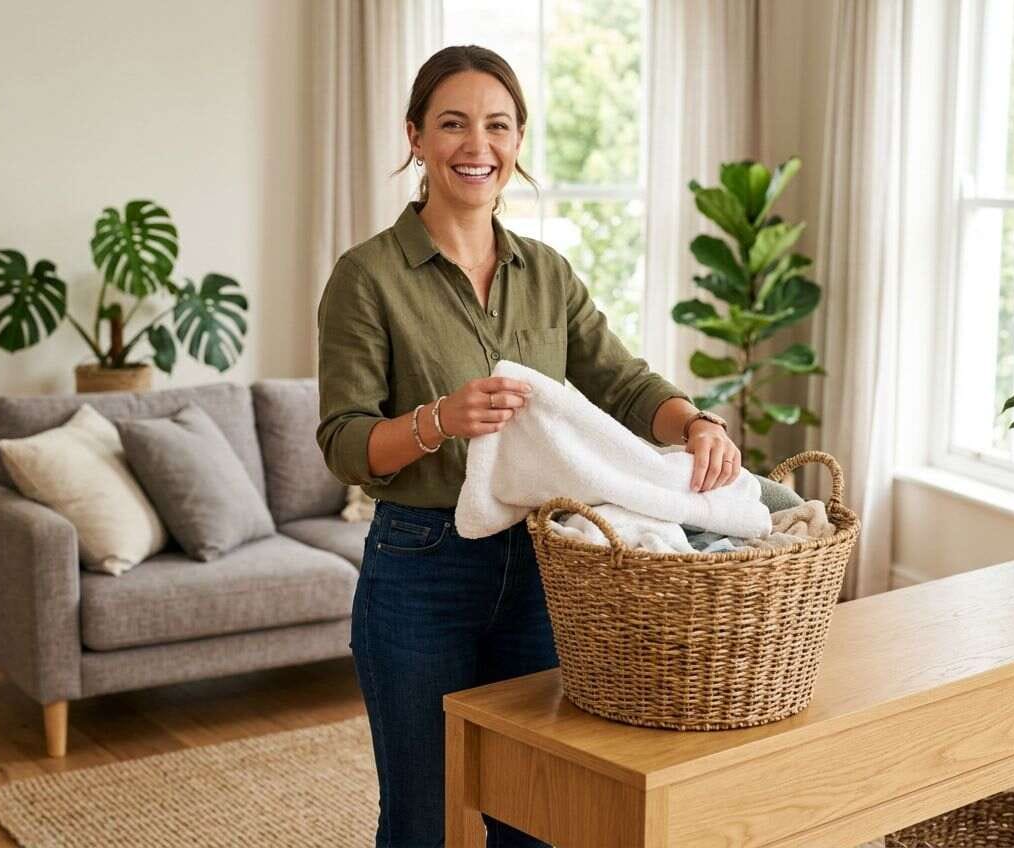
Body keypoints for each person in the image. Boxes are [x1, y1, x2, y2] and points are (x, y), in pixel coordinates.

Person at [316, 44, 742, 848]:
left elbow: (621, 380)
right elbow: (343, 445)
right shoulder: (366, 277)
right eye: (452, 124)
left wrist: (696, 422)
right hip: (420, 569)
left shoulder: (547, 272)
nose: (477, 145)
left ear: (517, 142)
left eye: (497, 126)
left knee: (539, 809)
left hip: (549, 565)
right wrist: (439, 419)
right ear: (415, 137)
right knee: (425, 815)